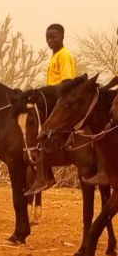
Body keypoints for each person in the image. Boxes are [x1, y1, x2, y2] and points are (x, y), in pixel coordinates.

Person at [29, 24, 80, 194]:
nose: (50, 41)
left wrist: (45, 92)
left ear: (62, 36)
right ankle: (44, 174)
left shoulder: (64, 55)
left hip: (60, 100)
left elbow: (66, 83)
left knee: (41, 128)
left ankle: (44, 176)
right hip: (53, 97)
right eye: (47, 38)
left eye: (53, 37)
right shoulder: (54, 56)